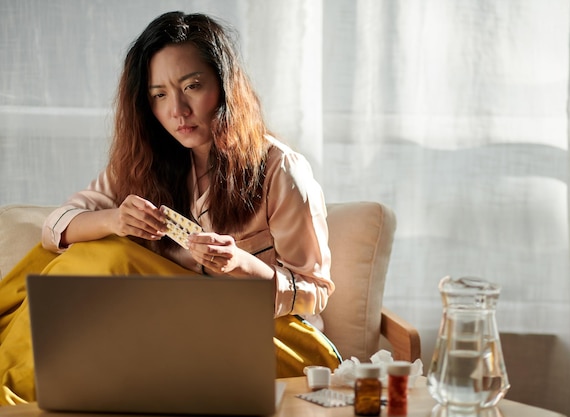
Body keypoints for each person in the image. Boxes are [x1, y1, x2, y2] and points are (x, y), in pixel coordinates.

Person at [0, 11, 341, 405]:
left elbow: (314, 293)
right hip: (165, 336)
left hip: (272, 342)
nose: (177, 110)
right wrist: (114, 219)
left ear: (225, 86)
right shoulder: (142, 163)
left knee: (107, 259)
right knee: (92, 254)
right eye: (158, 95)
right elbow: (55, 229)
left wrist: (239, 264)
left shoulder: (281, 170)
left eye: (192, 86)